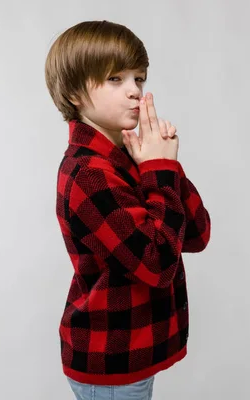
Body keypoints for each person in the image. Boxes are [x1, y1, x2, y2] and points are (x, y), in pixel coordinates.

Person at [44, 20, 211, 400]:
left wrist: (164, 166)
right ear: (74, 93)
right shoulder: (90, 173)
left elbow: (197, 234)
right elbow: (158, 263)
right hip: (111, 363)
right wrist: (158, 169)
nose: (135, 91)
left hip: (130, 356)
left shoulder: (126, 156)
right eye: (115, 79)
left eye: (139, 78)